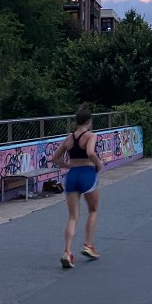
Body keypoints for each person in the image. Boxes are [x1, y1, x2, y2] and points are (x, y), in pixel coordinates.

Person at [50, 103, 103, 268]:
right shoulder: (90, 136)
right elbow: (90, 152)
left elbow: (55, 158)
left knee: (73, 216)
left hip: (72, 176)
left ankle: (67, 251)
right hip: (87, 174)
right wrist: (98, 164)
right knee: (93, 210)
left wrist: (67, 165)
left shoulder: (69, 139)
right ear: (89, 121)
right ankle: (88, 245)